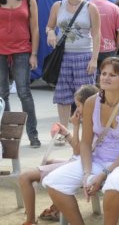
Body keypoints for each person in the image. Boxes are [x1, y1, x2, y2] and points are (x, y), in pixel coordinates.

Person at [43, 57, 119, 225]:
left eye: (113, 75)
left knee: (115, 182)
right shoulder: (91, 102)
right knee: (54, 181)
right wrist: (87, 174)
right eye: (103, 73)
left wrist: (103, 174)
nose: (106, 78)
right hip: (99, 159)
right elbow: (86, 143)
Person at [19, 84, 99, 225]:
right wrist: (68, 131)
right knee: (48, 162)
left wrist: (73, 127)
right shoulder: (91, 119)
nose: (76, 109)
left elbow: (78, 152)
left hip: (83, 165)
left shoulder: (92, 122)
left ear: (89, 104)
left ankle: (31, 220)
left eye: (78, 105)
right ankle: (56, 208)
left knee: (25, 177)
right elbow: (78, 152)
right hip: (80, 162)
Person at [46, 0, 100, 138]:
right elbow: (49, 26)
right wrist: (50, 33)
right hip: (63, 56)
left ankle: (87, 132)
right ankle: (63, 131)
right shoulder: (58, 5)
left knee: (86, 96)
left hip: (84, 54)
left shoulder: (90, 7)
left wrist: (94, 59)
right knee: (62, 95)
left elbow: (97, 34)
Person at [0, 0, 41, 148]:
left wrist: (34, 53)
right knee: (2, 94)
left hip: (23, 50)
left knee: (24, 92)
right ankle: (7, 136)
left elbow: (35, 28)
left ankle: (33, 135)